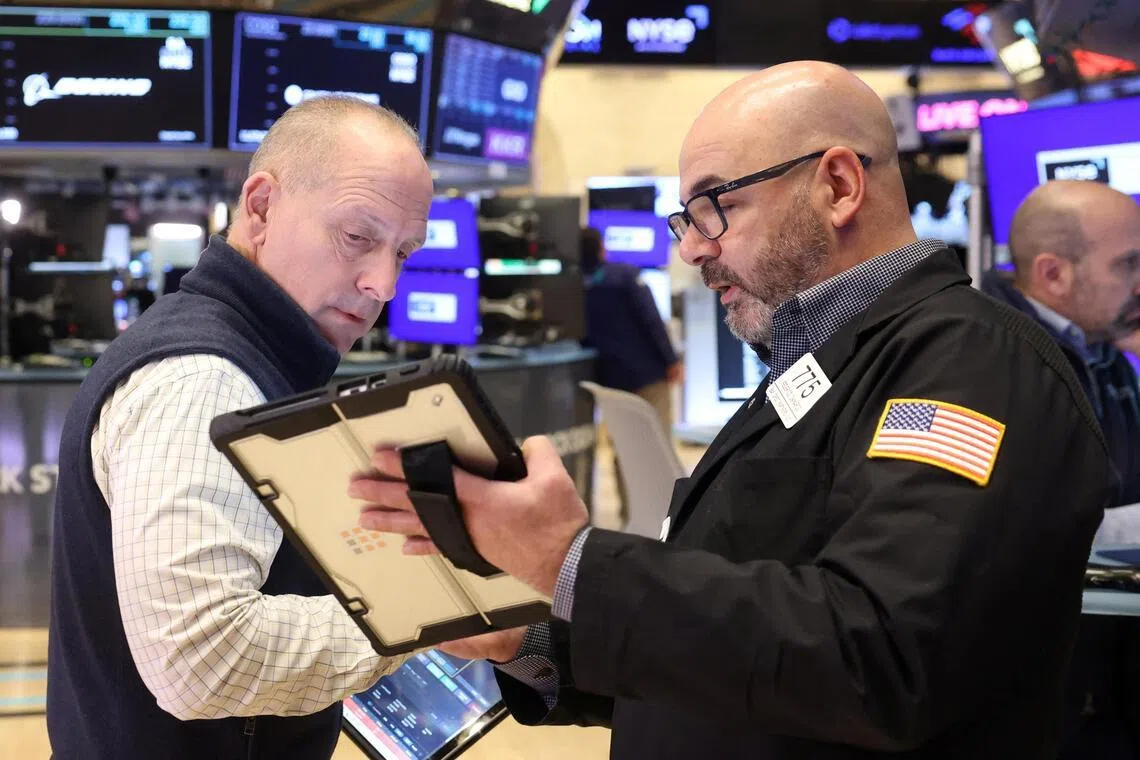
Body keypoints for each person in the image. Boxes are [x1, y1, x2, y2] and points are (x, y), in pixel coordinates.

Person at [349, 62, 1115, 759]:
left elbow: (877, 661)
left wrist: (571, 560)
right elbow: (744, 649)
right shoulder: (814, 363)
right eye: (686, 218)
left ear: (839, 186)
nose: (693, 249)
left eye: (717, 205)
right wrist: (537, 641)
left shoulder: (972, 362)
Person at [47, 97, 434, 760]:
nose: (383, 284)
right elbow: (203, 661)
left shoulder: (252, 354)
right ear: (260, 207)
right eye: (358, 238)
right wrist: (425, 617)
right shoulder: (206, 380)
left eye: (403, 252)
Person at [980, 180, 1140, 758]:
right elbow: (1014, 530)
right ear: (1053, 275)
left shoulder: (1104, 346)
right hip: (1043, 703)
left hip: (1107, 680)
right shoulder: (988, 362)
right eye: (1128, 264)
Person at [579, 225, 683, 516]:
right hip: (647, 377)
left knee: (624, 448)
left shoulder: (573, 286)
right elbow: (651, 320)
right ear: (602, 248)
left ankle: (631, 513)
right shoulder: (625, 276)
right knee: (658, 445)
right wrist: (671, 360)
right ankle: (666, 513)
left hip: (610, 381)